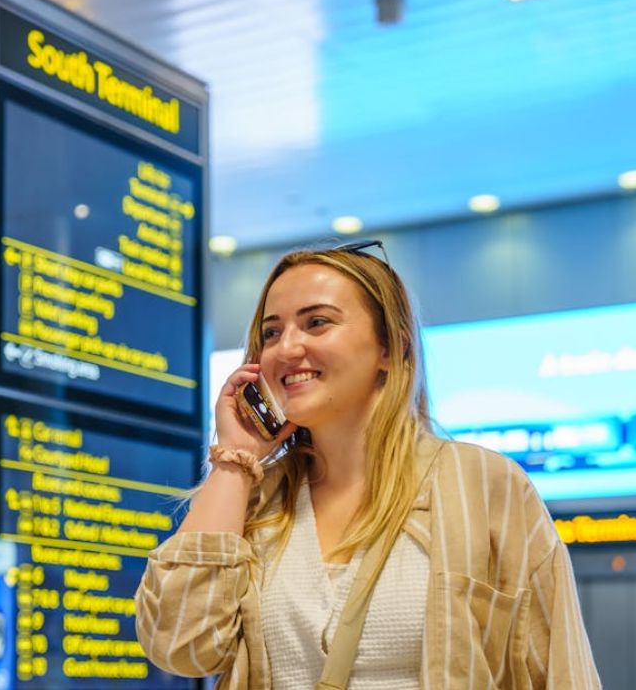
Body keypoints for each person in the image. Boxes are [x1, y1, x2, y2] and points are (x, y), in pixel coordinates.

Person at [135, 242, 601, 689]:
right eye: (272, 332)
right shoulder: (252, 500)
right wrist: (234, 461)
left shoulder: (481, 485)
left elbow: (560, 670)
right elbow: (180, 646)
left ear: (390, 350)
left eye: (317, 323)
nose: (286, 348)